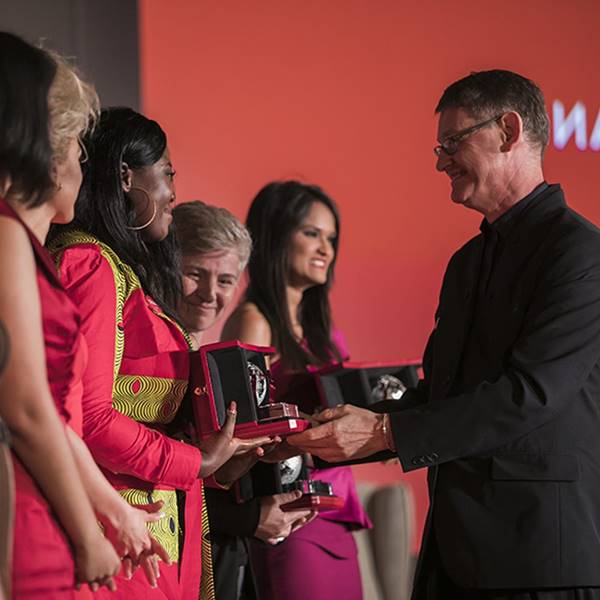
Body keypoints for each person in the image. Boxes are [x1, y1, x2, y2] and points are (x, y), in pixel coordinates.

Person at [287, 69, 600, 599]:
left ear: (507, 130)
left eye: (453, 141)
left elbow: (529, 396)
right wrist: (320, 442)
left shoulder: (580, 254)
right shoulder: (467, 263)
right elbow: (440, 394)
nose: (439, 160)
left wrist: (385, 433)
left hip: (539, 561)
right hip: (452, 557)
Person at [48, 107, 270, 600]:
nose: (173, 194)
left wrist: (219, 454)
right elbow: (89, 415)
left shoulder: (119, 269)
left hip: (153, 525)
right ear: (127, 176)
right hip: (123, 530)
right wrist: (193, 461)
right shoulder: (91, 264)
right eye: (168, 174)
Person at [0, 32, 173, 598]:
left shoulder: (32, 246)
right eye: (75, 142)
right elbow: (29, 410)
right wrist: (89, 531)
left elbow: (55, 414)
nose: (81, 159)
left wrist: (113, 514)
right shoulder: (15, 239)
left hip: (53, 502)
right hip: (29, 510)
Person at [221, 181, 371, 600]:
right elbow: (242, 438)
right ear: (274, 235)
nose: (326, 248)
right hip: (292, 514)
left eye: (331, 238)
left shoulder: (327, 335)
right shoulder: (254, 322)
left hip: (337, 509)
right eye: (311, 233)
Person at [173, 200, 314, 600]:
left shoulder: (208, 359)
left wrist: (249, 457)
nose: (209, 294)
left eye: (225, 281)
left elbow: (205, 475)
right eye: (195, 273)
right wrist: (249, 517)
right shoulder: (145, 351)